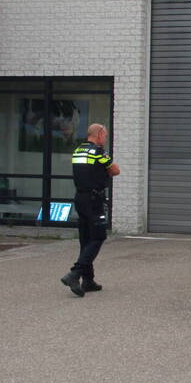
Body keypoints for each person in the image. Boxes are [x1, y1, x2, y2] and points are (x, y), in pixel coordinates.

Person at [60, 123, 120, 297]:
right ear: (99, 134)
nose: (106, 138)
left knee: (86, 239)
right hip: (94, 199)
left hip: (80, 198)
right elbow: (115, 170)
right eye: (105, 135)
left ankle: (88, 280)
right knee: (99, 236)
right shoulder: (98, 152)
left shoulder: (78, 151)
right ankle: (75, 273)